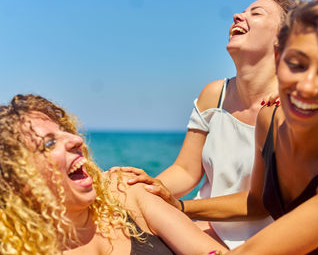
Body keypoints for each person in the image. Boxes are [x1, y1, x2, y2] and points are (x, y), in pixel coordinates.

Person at [176, 0, 318, 254]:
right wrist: (176, 205)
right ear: (280, 57)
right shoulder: (269, 118)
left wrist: (152, 206)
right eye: (296, 64)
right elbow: (256, 202)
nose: (305, 86)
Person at [118, 0, 297, 249]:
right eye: (242, 11)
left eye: (255, 13)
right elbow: (186, 171)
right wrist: (145, 189)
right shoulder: (214, 95)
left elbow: (259, 204)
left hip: (271, 243)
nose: (237, 16)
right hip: (208, 231)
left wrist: (179, 207)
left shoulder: (291, 108)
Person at [0, 94, 228, 255]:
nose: (76, 140)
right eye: (50, 143)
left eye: (65, 132)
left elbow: (208, 252)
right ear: (21, 179)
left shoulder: (123, 191)